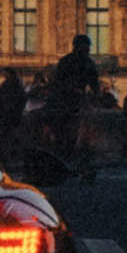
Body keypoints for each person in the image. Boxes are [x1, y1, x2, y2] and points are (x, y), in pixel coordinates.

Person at [47, 34, 101, 164]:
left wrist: (95, 93)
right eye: (86, 47)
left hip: (72, 101)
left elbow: (94, 82)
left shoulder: (70, 61)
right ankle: (68, 155)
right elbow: (59, 82)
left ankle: (66, 155)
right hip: (65, 100)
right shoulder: (84, 63)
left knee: (69, 131)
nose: (88, 50)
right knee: (67, 130)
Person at [0, 66, 28, 150]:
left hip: (12, 115)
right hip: (5, 114)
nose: (4, 75)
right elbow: (1, 100)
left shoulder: (16, 85)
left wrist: (14, 109)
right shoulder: (5, 84)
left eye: (6, 74)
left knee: (10, 136)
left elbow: (21, 99)